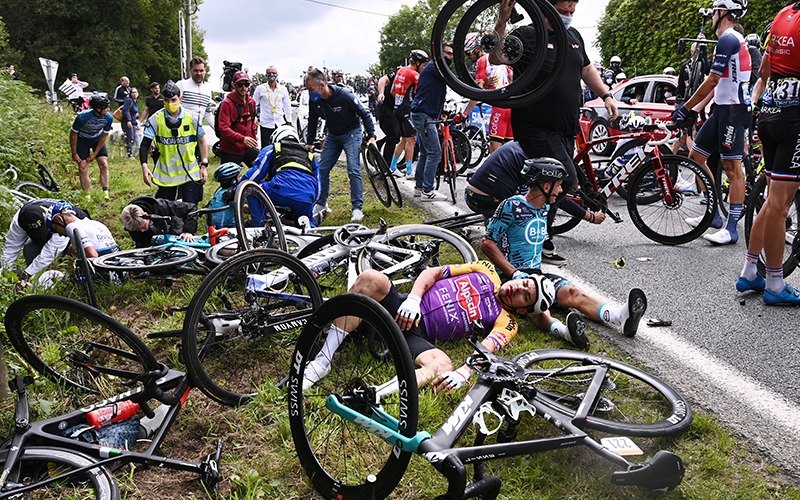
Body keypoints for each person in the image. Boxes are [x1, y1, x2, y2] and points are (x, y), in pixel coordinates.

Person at [301, 260, 556, 393]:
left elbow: (485, 350)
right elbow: (433, 273)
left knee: (442, 364)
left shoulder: (507, 322)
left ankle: (375, 395)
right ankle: (322, 362)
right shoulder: (485, 270)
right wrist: (413, 298)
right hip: (402, 306)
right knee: (370, 278)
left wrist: (463, 373)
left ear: (524, 310)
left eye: (525, 296)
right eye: (525, 284)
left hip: (417, 335)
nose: (518, 289)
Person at [491, 0, 619, 265]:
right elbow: (496, 57)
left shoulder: (573, 36)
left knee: (549, 184)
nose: (568, 16)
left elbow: (585, 68)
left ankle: (531, 236)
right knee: (565, 179)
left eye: (572, 12)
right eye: (562, 11)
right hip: (535, 124)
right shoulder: (527, 35)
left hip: (565, 127)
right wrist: (502, 20)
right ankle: (530, 236)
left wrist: (606, 94)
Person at [481, 157, 647, 342]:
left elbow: (566, 204)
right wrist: (514, 273)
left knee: (573, 293)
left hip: (536, 274)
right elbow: (487, 243)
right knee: (539, 307)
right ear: (545, 186)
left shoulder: (544, 207)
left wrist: (590, 216)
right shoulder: (512, 205)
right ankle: (564, 332)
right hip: (509, 277)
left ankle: (620, 317)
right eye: (558, 185)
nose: (560, 190)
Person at [736, 2, 800, 305]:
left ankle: (751, 270)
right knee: (779, 203)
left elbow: (765, 69)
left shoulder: (783, 14)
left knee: (776, 199)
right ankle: (775, 283)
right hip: (795, 118)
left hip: (771, 110)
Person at [673, 0, 751, 245]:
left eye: (714, 12)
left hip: (734, 111)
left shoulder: (729, 38)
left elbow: (713, 80)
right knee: (696, 156)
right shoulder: (727, 39)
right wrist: (694, 109)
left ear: (721, 12)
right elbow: (715, 84)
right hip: (721, 109)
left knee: (732, 168)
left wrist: (686, 107)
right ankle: (714, 216)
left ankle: (731, 229)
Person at [305, 67, 376, 222]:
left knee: (353, 169)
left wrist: (371, 136)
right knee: (322, 168)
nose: (310, 93)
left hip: (352, 133)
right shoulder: (315, 101)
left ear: (322, 85)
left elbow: (365, 113)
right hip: (333, 135)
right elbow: (312, 121)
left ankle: (357, 208)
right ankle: (321, 203)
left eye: (311, 89)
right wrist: (309, 143)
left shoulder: (344, 95)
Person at [410, 43, 476, 201]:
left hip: (425, 115)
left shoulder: (436, 68)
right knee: (435, 152)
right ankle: (428, 190)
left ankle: (419, 188)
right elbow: (455, 81)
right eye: (447, 53)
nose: (449, 57)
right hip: (423, 115)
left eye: (452, 54)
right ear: (439, 54)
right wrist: (474, 84)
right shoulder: (436, 67)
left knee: (426, 152)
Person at [139, 80, 208, 204]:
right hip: (167, 175)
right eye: (166, 100)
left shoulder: (193, 118)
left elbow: (202, 142)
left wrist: (204, 166)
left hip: (190, 174)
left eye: (173, 100)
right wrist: (144, 166)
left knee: (190, 211)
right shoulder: (155, 119)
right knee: (164, 211)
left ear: (180, 98)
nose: (170, 104)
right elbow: (145, 145)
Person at [242, 125, 320, 227]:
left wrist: (238, 188)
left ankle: (259, 228)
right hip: (306, 196)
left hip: (280, 189)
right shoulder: (311, 156)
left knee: (252, 190)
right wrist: (309, 201)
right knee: (305, 226)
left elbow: (256, 173)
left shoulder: (273, 148)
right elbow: (318, 188)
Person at [2, 199, 88, 280]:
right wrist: (4, 271)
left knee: (73, 252)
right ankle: (38, 279)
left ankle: (71, 281)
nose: (42, 237)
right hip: (52, 231)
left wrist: (27, 273)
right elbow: (11, 248)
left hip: (74, 232)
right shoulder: (19, 221)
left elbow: (50, 252)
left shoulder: (58, 218)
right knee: (30, 249)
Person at [471, 35, 515, 153]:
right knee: (510, 151)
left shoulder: (482, 60)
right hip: (512, 107)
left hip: (499, 108)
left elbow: (477, 91)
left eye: (468, 54)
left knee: (495, 152)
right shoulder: (503, 62)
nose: (469, 58)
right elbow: (511, 77)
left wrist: (465, 113)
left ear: (476, 49)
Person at [389, 49, 429, 179]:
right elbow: (421, 93)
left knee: (404, 140)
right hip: (407, 109)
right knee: (411, 140)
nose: (423, 67)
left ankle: (393, 167)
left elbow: (392, 91)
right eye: (423, 64)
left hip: (397, 108)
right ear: (417, 62)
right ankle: (410, 171)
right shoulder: (414, 75)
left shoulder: (400, 71)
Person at [69, 93, 113, 199]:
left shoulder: (108, 118)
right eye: (105, 108)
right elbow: (73, 135)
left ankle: (105, 193)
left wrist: (95, 153)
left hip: (97, 139)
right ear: (98, 109)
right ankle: (87, 196)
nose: (108, 110)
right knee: (83, 167)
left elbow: (104, 136)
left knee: (104, 164)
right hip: (82, 140)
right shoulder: (82, 117)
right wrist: (74, 153)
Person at [45, 201, 118, 258]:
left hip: (105, 269)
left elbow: (93, 255)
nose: (60, 235)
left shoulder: (71, 227)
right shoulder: (95, 223)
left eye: (54, 229)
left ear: (59, 219)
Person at [120, 196, 199, 248]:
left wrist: (188, 231)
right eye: (137, 230)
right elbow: (141, 242)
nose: (142, 231)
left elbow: (191, 208)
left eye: (143, 227)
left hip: (175, 232)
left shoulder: (160, 206)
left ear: (146, 215)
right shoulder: (131, 223)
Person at [217, 71, 259, 167]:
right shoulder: (227, 104)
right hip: (230, 150)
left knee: (264, 171)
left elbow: (252, 123)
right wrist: (242, 139)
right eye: (240, 84)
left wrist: (253, 137)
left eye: (246, 84)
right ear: (234, 85)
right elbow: (223, 128)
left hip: (247, 148)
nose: (243, 87)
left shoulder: (252, 103)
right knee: (228, 180)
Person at [252, 65, 292, 147]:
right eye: (269, 73)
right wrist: (254, 117)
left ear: (277, 74)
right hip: (266, 124)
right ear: (266, 75)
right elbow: (253, 104)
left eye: (273, 73)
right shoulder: (260, 88)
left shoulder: (283, 89)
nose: (271, 75)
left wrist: (289, 121)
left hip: (280, 123)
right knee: (266, 148)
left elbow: (287, 106)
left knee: (280, 148)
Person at [177, 57, 215, 130]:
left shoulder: (207, 90)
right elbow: (172, 107)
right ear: (190, 70)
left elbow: (207, 113)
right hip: (181, 131)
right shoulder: (181, 85)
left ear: (205, 71)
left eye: (201, 70)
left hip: (198, 132)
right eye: (195, 70)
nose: (199, 73)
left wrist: (219, 131)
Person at [376, 66, 400, 167]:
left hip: (397, 110)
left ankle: (379, 144)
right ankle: (387, 166)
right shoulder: (400, 73)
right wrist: (381, 93)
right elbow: (383, 79)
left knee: (399, 134)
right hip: (385, 108)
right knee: (393, 136)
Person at [122, 87, 141, 158]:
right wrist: (128, 121)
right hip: (127, 122)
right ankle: (129, 155)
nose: (135, 94)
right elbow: (125, 111)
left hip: (133, 122)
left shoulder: (135, 102)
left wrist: (136, 123)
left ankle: (131, 154)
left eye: (136, 92)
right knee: (130, 138)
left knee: (133, 139)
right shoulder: (129, 100)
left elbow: (133, 113)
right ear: (130, 94)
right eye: (133, 92)